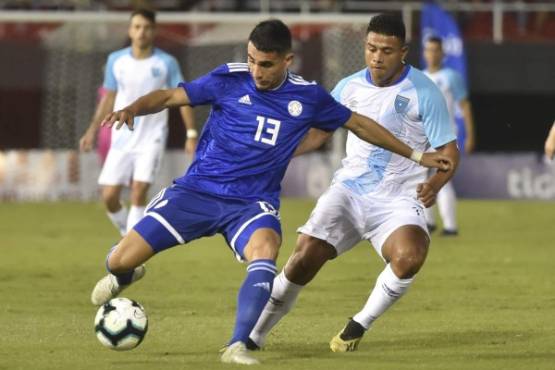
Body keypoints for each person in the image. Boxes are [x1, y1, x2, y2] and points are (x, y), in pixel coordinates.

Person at [89, 19, 451, 365]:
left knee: (267, 250)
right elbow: (171, 96)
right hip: (197, 191)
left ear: (286, 61)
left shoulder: (308, 97)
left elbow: (359, 124)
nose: (256, 71)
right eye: (251, 60)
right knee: (119, 259)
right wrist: (132, 108)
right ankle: (125, 274)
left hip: (252, 203)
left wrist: (418, 154)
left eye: (265, 64)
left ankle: (238, 344)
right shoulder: (229, 79)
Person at [248, 14, 459, 353]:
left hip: (398, 199)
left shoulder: (424, 91)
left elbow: (450, 152)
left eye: (386, 51)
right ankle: (253, 336)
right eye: (371, 48)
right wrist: (278, 154)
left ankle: (358, 324)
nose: (377, 57)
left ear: (403, 51)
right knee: (303, 259)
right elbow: (318, 133)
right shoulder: (347, 87)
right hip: (349, 192)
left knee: (410, 255)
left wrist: (435, 184)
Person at [79, 9, 197, 236]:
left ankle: (131, 250)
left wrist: (191, 133)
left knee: (139, 190)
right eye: (137, 27)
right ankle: (129, 236)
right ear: (130, 30)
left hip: (152, 136)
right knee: (110, 197)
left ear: (154, 31)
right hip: (122, 137)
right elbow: (109, 97)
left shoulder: (166, 62)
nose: (142, 32)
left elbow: (182, 97)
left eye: (147, 27)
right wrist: (92, 130)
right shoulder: (116, 60)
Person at [422, 36, 475, 236]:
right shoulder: (420, 77)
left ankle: (450, 226)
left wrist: (470, 135)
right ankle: (428, 221)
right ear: (424, 53)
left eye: (436, 50)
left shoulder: (451, 76)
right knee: (421, 177)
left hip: (444, 137)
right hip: (422, 136)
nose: (432, 53)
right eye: (429, 49)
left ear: (443, 53)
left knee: (443, 178)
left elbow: (465, 106)